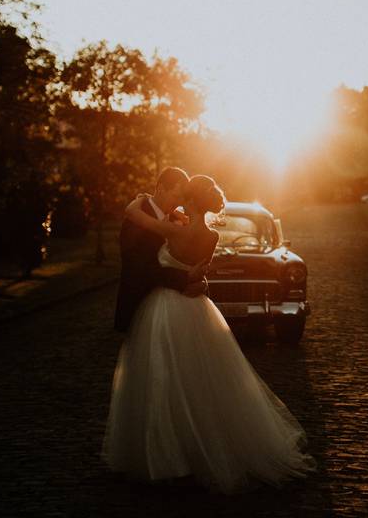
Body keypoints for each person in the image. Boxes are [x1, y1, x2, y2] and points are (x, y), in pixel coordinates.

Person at [101, 174, 317, 493]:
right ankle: (203, 444)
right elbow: (199, 270)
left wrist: (134, 204)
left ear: (190, 200)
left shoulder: (174, 229)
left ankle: (167, 452)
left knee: (162, 377)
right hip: (198, 307)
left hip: (164, 308)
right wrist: (194, 280)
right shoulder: (211, 236)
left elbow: (137, 217)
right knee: (202, 378)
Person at [113, 167, 207, 333]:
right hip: (141, 310)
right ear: (161, 189)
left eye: (181, 198)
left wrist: (198, 281)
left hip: (176, 315)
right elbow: (141, 268)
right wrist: (186, 277)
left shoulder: (177, 220)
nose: (179, 203)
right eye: (176, 196)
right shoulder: (136, 219)